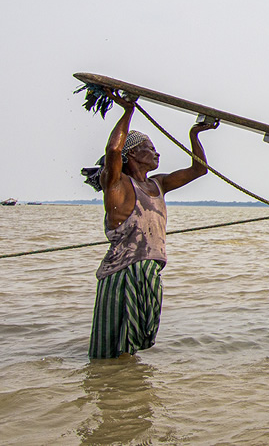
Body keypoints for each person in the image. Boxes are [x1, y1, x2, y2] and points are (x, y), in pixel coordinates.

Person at [88, 90, 217, 359]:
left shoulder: (158, 183)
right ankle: (112, 387)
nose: (156, 152)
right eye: (149, 148)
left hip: (150, 270)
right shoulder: (117, 184)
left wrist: (195, 135)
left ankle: (126, 384)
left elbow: (199, 169)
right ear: (132, 154)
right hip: (124, 272)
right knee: (116, 345)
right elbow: (113, 150)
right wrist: (127, 111)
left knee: (138, 339)